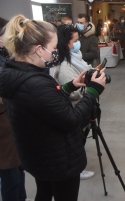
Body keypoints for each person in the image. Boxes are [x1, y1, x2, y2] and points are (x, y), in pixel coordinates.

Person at [0, 15, 106, 201]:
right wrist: (93, 91)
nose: (57, 51)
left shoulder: (17, 73)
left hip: (39, 156)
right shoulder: (35, 83)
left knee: (44, 192)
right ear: (39, 50)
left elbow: (43, 105)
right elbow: (72, 120)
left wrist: (69, 86)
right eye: (54, 48)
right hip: (57, 161)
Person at [50, 24, 104, 180]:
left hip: (79, 108)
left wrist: (92, 75)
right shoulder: (64, 65)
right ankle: (76, 169)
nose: (78, 44)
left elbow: (81, 74)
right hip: (75, 110)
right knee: (75, 140)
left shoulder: (74, 57)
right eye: (75, 41)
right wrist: (94, 87)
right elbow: (74, 92)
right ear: (65, 43)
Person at [0, 17, 32, 201]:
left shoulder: (8, 58)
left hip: (13, 125)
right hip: (4, 131)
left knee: (19, 172)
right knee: (10, 177)